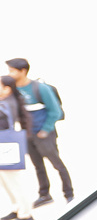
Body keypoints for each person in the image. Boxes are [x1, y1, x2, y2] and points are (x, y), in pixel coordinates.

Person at [3, 59, 71, 208]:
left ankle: (69, 193)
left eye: (12, 71)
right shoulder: (14, 90)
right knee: (38, 166)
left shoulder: (40, 88)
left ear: (23, 71)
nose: (10, 74)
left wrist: (45, 130)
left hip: (44, 134)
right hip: (28, 135)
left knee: (57, 164)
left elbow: (55, 111)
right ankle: (44, 194)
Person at [0, 77, 34, 220]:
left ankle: (26, 214)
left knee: (14, 182)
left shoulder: (6, 104)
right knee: (6, 181)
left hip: (7, 148)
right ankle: (16, 208)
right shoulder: (8, 101)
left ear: (7, 88)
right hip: (5, 147)